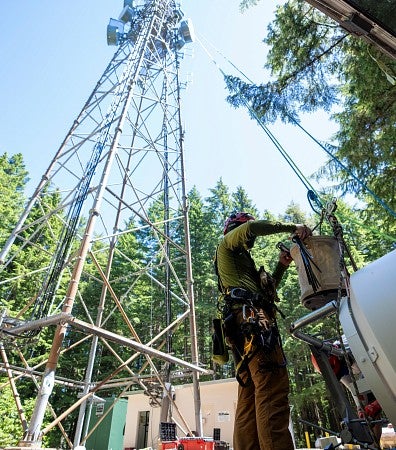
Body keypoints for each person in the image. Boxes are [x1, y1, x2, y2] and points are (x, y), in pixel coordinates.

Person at [214, 211, 312, 450]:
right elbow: (253, 227)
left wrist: (281, 265)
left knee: (250, 398)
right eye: (245, 231)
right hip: (253, 324)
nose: (250, 239)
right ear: (236, 229)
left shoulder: (241, 266)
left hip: (242, 329)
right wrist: (293, 226)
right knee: (271, 387)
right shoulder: (227, 246)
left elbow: (265, 295)